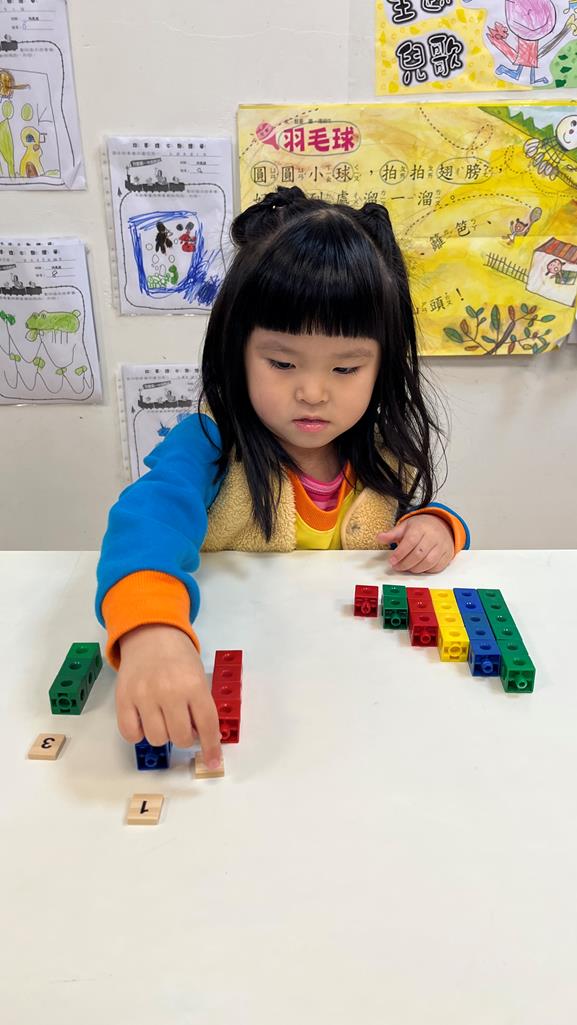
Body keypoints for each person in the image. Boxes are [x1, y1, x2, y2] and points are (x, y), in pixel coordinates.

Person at [96, 186, 470, 770]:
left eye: (346, 367)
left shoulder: (382, 452)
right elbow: (146, 522)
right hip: (254, 687)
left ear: (382, 366)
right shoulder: (209, 445)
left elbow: (413, 521)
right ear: (236, 351)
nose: (313, 392)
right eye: (282, 362)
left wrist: (438, 526)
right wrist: (151, 631)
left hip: (355, 708)